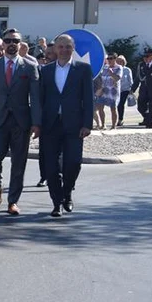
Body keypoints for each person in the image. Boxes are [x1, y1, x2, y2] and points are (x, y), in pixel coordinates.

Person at [0, 28, 41, 216]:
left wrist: (36, 122)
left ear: (21, 44)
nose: (12, 44)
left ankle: (13, 201)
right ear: (3, 44)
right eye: (8, 41)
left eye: (16, 41)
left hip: (21, 122)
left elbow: (36, 97)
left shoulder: (29, 67)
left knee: (18, 163)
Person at [38, 34, 94, 218]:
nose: (64, 50)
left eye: (68, 47)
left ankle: (67, 192)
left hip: (74, 125)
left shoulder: (83, 69)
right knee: (51, 167)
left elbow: (88, 98)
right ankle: (57, 203)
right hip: (51, 125)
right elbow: (40, 99)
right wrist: (37, 124)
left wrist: (87, 124)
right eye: (61, 46)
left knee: (73, 163)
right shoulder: (45, 71)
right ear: (55, 49)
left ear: (73, 48)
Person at [95, 53, 121, 130]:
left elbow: (117, 78)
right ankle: (103, 124)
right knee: (100, 107)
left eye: (111, 58)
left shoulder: (119, 68)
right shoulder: (104, 67)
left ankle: (113, 126)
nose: (109, 60)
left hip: (113, 91)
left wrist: (111, 73)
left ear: (115, 59)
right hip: (103, 90)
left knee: (113, 108)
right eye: (108, 58)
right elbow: (99, 77)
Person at [116, 55, 134, 127]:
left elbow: (130, 79)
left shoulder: (127, 70)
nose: (119, 62)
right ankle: (117, 118)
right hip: (117, 90)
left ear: (123, 62)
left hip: (125, 90)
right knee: (117, 105)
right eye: (118, 61)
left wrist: (131, 89)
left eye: (120, 61)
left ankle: (120, 119)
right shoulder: (115, 69)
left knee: (121, 104)